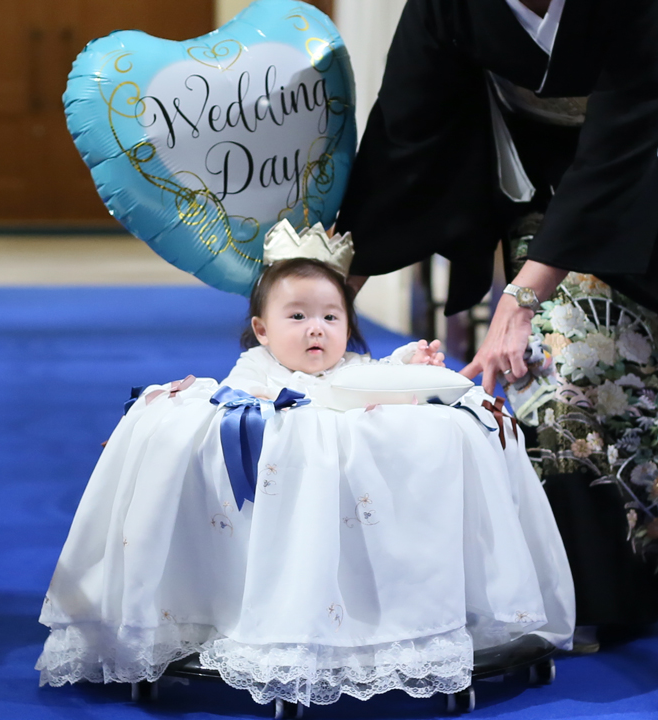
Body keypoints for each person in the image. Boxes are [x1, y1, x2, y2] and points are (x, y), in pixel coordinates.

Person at [36, 221, 574, 705]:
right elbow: (237, 409)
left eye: (330, 317)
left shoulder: (355, 367)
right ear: (263, 330)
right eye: (297, 316)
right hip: (282, 502)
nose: (316, 329)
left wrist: (411, 367)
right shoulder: (258, 375)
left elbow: (379, 386)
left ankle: (391, 620)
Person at [335, 0, 658, 647]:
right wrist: (334, 282)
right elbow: (405, 130)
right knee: (557, 363)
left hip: (643, 161)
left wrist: (517, 301)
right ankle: (608, 591)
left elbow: (628, 132)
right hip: (555, 201)